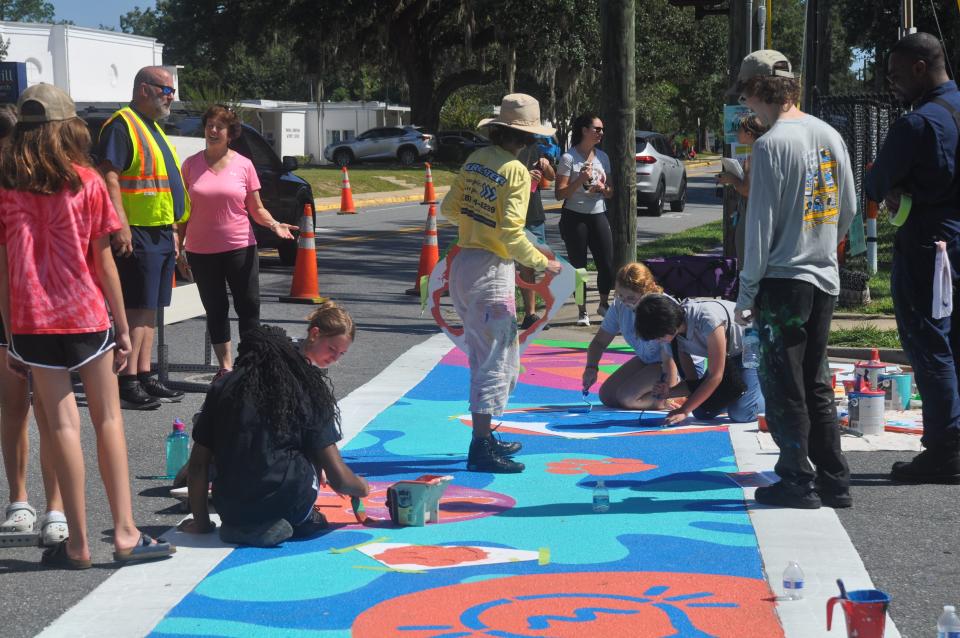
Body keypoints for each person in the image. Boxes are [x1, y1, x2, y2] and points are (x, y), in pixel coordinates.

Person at [0, 84, 174, 568]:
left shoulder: (5, 188)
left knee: (60, 426)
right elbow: (104, 263)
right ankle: (124, 534)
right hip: (84, 316)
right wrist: (121, 325)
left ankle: (75, 544)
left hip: (32, 323)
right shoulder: (87, 181)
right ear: (67, 127)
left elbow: (3, 267)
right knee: (108, 419)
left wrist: (12, 333)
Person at [733, 49, 857, 509]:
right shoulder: (829, 134)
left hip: (782, 279)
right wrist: (826, 245)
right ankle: (834, 478)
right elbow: (847, 209)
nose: (745, 103)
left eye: (745, 93)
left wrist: (747, 291)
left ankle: (795, 480)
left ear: (756, 90)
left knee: (784, 383)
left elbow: (759, 227)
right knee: (817, 379)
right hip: (823, 275)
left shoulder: (770, 145)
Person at [177, 306, 368, 547]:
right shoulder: (307, 387)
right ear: (314, 334)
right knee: (307, 485)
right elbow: (339, 479)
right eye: (332, 349)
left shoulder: (223, 386)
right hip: (285, 499)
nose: (335, 357)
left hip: (231, 507)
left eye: (341, 354)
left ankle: (245, 525)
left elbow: (198, 465)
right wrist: (362, 487)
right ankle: (299, 518)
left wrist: (202, 524)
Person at [441, 93, 562, 473]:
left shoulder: (476, 160)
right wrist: (539, 261)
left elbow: (448, 208)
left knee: (484, 354)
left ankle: (486, 436)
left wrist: (479, 221)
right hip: (492, 273)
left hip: (464, 264)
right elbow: (511, 233)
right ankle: (480, 446)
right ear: (527, 138)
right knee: (497, 360)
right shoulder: (516, 171)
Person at [866, 33, 960, 485]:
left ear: (921, 68)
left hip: (929, 243)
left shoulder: (918, 124)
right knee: (954, 342)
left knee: (929, 343)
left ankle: (944, 449)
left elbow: (876, 182)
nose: (893, 84)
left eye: (897, 74)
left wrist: (894, 189)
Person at [179, 105, 296, 377]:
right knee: (215, 309)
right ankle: (226, 367)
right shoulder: (191, 164)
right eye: (210, 125)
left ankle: (250, 363)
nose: (213, 130)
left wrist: (274, 224)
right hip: (201, 249)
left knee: (248, 307)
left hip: (239, 246)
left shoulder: (244, 165)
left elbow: (256, 208)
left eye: (220, 126)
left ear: (230, 133)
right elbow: (183, 211)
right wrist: (178, 244)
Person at [97, 66, 190, 410]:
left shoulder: (152, 127)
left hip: (161, 230)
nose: (171, 97)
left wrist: (175, 229)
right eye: (166, 90)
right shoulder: (123, 125)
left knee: (151, 309)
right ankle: (129, 380)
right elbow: (110, 177)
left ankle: (146, 373)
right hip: (137, 231)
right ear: (143, 90)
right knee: (137, 307)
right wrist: (120, 224)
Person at [0, 103, 67, 547]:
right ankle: (19, 500)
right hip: (6, 308)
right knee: (12, 404)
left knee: (51, 412)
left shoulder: (44, 182)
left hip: (42, 308)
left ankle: (56, 508)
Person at [634, 294, 765, 426]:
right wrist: (669, 392)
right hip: (729, 359)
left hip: (751, 350)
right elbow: (693, 384)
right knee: (701, 411)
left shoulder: (708, 319)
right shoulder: (672, 339)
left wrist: (684, 410)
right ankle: (742, 396)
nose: (657, 341)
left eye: (657, 337)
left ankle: (771, 396)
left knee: (741, 413)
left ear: (668, 328)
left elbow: (715, 376)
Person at [581, 263, 671, 409]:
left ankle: (677, 396)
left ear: (648, 290)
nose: (625, 302)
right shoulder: (619, 306)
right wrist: (591, 367)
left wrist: (669, 389)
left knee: (627, 397)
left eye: (631, 297)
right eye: (620, 295)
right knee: (607, 395)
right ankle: (652, 395)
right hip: (648, 359)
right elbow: (599, 342)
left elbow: (671, 357)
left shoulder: (662, 308)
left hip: (673, 363)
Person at [555, 112, 614, 326]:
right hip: (575, 216)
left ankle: (603, 304)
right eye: (597, 129)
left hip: (598, 212)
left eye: (602, 130)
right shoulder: (569, 158)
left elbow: (611, 192)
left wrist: (603, 188)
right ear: (584, 131)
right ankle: (582, 312)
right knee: (579, 267)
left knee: (606, 263)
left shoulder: (603, 157)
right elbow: (560, 194)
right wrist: (580, 179)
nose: (601, 133)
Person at [717, 114, 770, 267]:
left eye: (739, 130)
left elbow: (747, 190)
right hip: (757, 214)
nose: (736, 134)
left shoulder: (756, 155)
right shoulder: (764, 152)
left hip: (752, 215)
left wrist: (732, 179)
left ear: (749, 133)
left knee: (746, 259)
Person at [516, 141, 556, 329]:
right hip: (512, 215)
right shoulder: (500, 154)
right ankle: (505, 311)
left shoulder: (533, 148)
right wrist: (525, 176)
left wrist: (546, 166)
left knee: (531, 266)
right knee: (506, 264)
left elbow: (551, 177)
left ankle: (530, 314)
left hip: (533, 215)